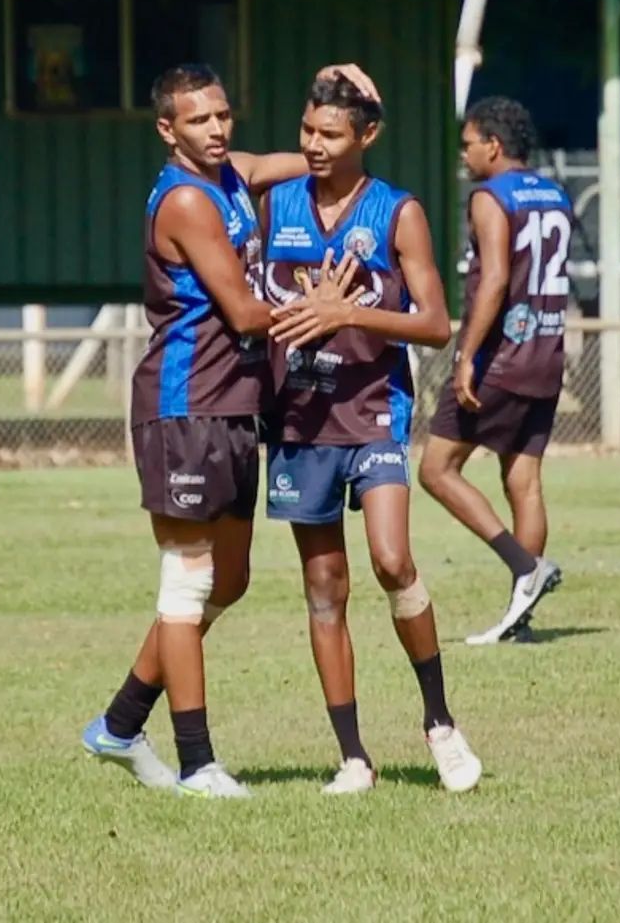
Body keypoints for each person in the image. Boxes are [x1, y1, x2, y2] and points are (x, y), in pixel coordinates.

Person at [82, 62, 371, 799]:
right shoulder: (185, 200)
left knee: (231, 577)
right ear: (166, 129)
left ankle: (118, 722)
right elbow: (244, 313)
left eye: (221, 115)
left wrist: (348, 99)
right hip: (183, 408)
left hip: (234, 406)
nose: (215, 129)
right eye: (198, 119)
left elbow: (312, 157)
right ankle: (196, 760)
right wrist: (332, 311)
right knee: (186, 585)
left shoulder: (232, 173)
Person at [265, 73, 482, 795]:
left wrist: (347, 314)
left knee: (392, 560)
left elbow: (433, 322)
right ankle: (353, 756)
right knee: (324, 587)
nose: (314, 145)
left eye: (330, 134)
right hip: (299, 419)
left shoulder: (397, 212)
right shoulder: (276, 204)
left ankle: (440, 722)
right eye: (306, 130)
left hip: (373, 410)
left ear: (367, 136)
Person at [418, 96, 572, 646]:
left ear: (494, 145)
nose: (464, 154)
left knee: (436, 470)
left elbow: (496, 280)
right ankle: (521, 615)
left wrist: (465, 356)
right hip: (548, 352)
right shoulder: (554, 193)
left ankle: (525, 566)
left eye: (468, 143)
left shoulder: (490, 196)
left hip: (503, 356)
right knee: (522, 478)